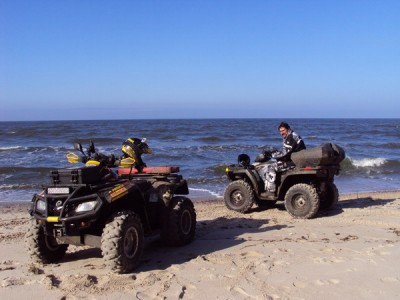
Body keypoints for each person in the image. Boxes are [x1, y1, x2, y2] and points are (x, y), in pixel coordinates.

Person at [261, 122, 306, 192]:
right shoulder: (291, 135)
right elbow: (286, 152)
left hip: (294, 162)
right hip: (296, 159)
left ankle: (271, 190)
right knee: (275, 162)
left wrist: (271, 155)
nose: (281, 133)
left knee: (270, 167)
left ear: (288, 129)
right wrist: (275, 153)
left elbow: (285, 154)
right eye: (280, 131)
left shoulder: (291, 137)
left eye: (283, 130)